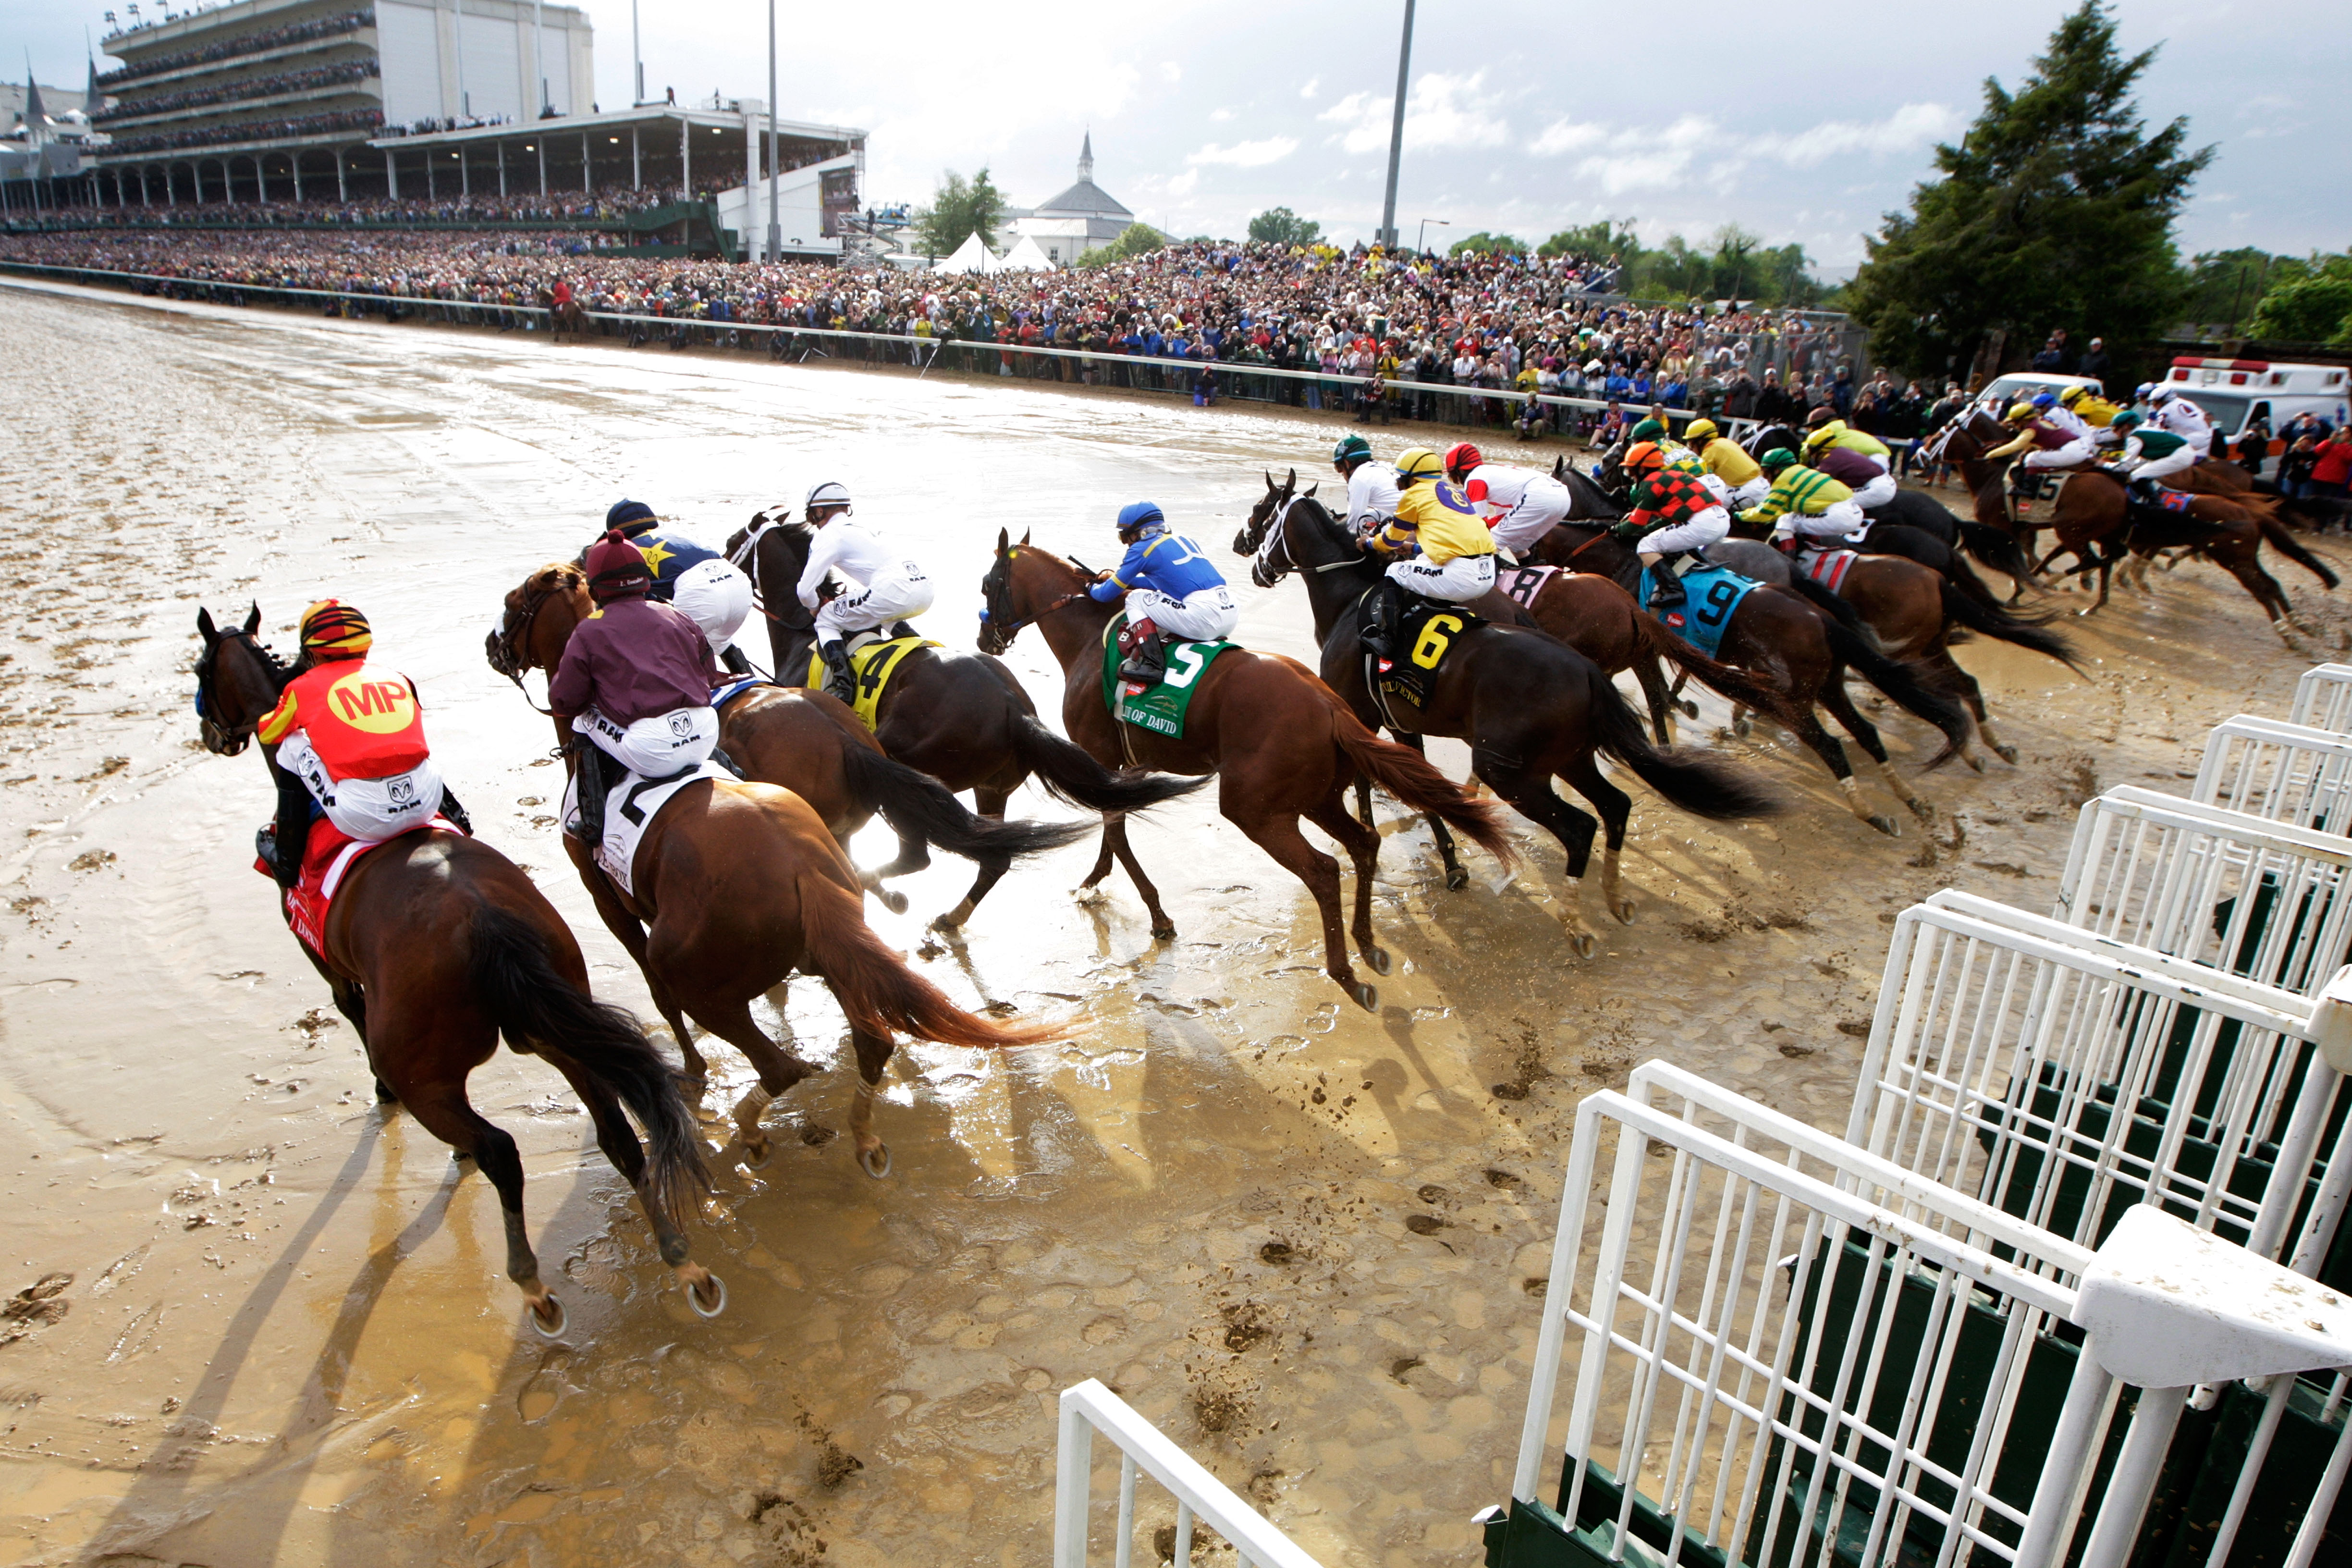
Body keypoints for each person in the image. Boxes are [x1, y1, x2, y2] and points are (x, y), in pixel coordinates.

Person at [255, 599, 471, 891]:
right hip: (426, 801)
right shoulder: (399, 678)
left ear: (311, 654)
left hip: (362, 817)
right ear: (367, 647)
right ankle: (459, 817)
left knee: (292, 744)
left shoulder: (300, 688)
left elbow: (269, 733)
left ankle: (286, 858)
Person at [548, 530, 722, 846]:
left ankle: (591, 820)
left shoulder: (590, 629)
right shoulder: (676, 614)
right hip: (706, 733)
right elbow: (709, 675)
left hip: (652, 750)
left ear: (597, 585)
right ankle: (731, 767)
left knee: (581, 720)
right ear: (643, 578)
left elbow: (564, 700)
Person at [794, 481, 936, 703]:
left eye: (813, 516)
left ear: (820, 511)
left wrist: (816, 606)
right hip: (925, 588)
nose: (815, 523)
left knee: (826, 619)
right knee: (880, 610)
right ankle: (917, 647)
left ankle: (844, 686)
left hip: (893, 589)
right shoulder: (865, 527)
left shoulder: (829, 534)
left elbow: (804, 591)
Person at [1362, 446, 1498, 660]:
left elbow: (1391, 540)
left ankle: (1387, 638)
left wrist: (1369, 543)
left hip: (1462, 577)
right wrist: (1415, 548)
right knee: (1423, 559)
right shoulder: (1451, 490)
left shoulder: (1415, 495)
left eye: (1401, 477)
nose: (1399, 482)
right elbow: (1454, 541)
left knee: (1395, 570)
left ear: (1413, 478)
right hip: (1489, 571)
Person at [598, 499, 755, 674]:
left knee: (660, 653)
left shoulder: (628, 550)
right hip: (739, 584)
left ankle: (696, 694)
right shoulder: (676, 532)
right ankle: (751, 680)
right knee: (720, 641)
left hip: (699, 593)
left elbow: (639, 601)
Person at [1089, 502, 1238, 684]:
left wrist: (1090, 586)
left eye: (1124, 536)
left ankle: (1153, 665)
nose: (1126, 543)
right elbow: (1162, 584)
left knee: (1135, 600)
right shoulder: (1185, 540)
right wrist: (1119, 581)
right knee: (1148, 595)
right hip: (1230, 611)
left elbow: (1104, 595)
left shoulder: (1142, 548)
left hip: (1202, 616)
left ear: (1137, 533)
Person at [1611, 441, 1729, 609]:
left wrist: (1617, 529)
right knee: (1668, 537)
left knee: (1646, 546)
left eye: (1630, 470)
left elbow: (1637, 522)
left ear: (1642, 469)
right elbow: (1667, 521)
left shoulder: (1649, 483)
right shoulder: (1674, 475)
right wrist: (1647, 530)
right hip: (1722, 518)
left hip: (1703, 523)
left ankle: (1673, 590)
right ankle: (1703, 561)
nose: (1630, 475)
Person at [1443, 440, 1573, 560]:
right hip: (1563, 496)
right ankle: (1530, 572)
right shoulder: (1493, 473)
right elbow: (1501, 517)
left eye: (1453, 476)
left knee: (1490, 542)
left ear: (1460, 471)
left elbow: (1479, 526)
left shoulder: (1474, 480)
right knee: (1517, 545)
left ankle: (1489, 582)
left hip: (1541, 496)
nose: (1456, 481)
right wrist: (1499, 520)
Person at [1739, 448, 1867, 551]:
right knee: (1794, 516)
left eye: (1766, 472)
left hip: (1839, 516)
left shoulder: (1785, 478)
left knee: (1786, 521)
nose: (1766, 478)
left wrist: (1739, 515)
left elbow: (1765, 513)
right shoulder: (1802, 471)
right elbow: (1781, 511)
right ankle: (1812, 547)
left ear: (1777, 470)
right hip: (1856, 512)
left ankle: (1788, 561)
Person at [1984, 402, 2095, 487]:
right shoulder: (2039, 421)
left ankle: (2028, 487)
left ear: (2023, 420)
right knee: (2034, 455)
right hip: (2079, 446)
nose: (2014, 425)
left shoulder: (2031, 429)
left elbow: (2015, 446)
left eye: (2015, 422)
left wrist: (1990, 455)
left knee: (2032, 458)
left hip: (2072, 450)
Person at [1800, 417, 1899, 510]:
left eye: (1810, 450)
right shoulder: (1840, 450)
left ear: (1818, 449)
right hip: (1885, 481)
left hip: (1878, 488)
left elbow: (1813, 482)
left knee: (1834, 503)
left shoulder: (1829, 461)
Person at [2106, 411, 2198, 500]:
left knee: (2137, 475)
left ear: (2126, 426)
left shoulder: (2134, 437)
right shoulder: (2140, 431)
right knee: (2141, 472)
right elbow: (2136, 462)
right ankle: (2154, 496)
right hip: (2181, 452)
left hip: (2179, 455)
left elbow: (2125, 466)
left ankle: (2156, 505)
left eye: (2115, 428)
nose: (2114, 432)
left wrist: (2104, 465)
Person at [1683, 418, 1770, 509]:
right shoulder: (1725, 442)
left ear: (1700, 442)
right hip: (1763, 486)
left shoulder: (1709, 452)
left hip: (1749, 492)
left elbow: (1699, 478)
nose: (1690, 448)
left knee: (1706, 501)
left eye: (1691, 443)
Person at [1334, 433, 1400, 538]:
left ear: (1347, 463)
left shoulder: (1358, 478)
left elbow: (1353, 526)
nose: (1342, 474)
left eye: (1339, 468)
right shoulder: (1382, 465)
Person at [2150, 386, 2216, 458]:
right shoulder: (2187, 402)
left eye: (2155, 402)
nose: (2153, 406)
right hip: (2206, 436)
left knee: (2165, 451)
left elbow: (2157, 431)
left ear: (2164, 400)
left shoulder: (2165, 411)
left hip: (2193, 438)